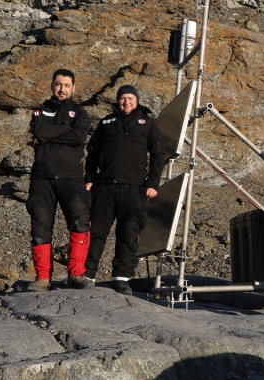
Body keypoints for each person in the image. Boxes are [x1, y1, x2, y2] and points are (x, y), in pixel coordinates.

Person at [84, 84, 165, 295]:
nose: (126, 102)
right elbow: (92, 152)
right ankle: (86, 275)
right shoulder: (106, 122)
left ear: (136, 100)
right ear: (117, 100)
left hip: (134, 189)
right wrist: (90, 178)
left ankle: (121, 278)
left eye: (130, 98)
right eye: (122, 98)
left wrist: (152, 183)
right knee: (95, 232)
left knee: (128, 232)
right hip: (104, 187)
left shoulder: (147, 123)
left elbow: (158, 155)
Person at [25, 69, 92, 291]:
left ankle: (76, 274)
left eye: (66, 85)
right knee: (40, 225)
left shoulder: (81, 113)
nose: (61, 88)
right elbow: (39, 131)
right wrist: (66, 131)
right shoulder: (39, 111)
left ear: (74, 88)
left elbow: (79, 136)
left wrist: (51, 133)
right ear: (52, 86)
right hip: (42, 177)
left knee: (80, 221)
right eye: (58, 84)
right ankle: (43, 278)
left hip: (71, 177)